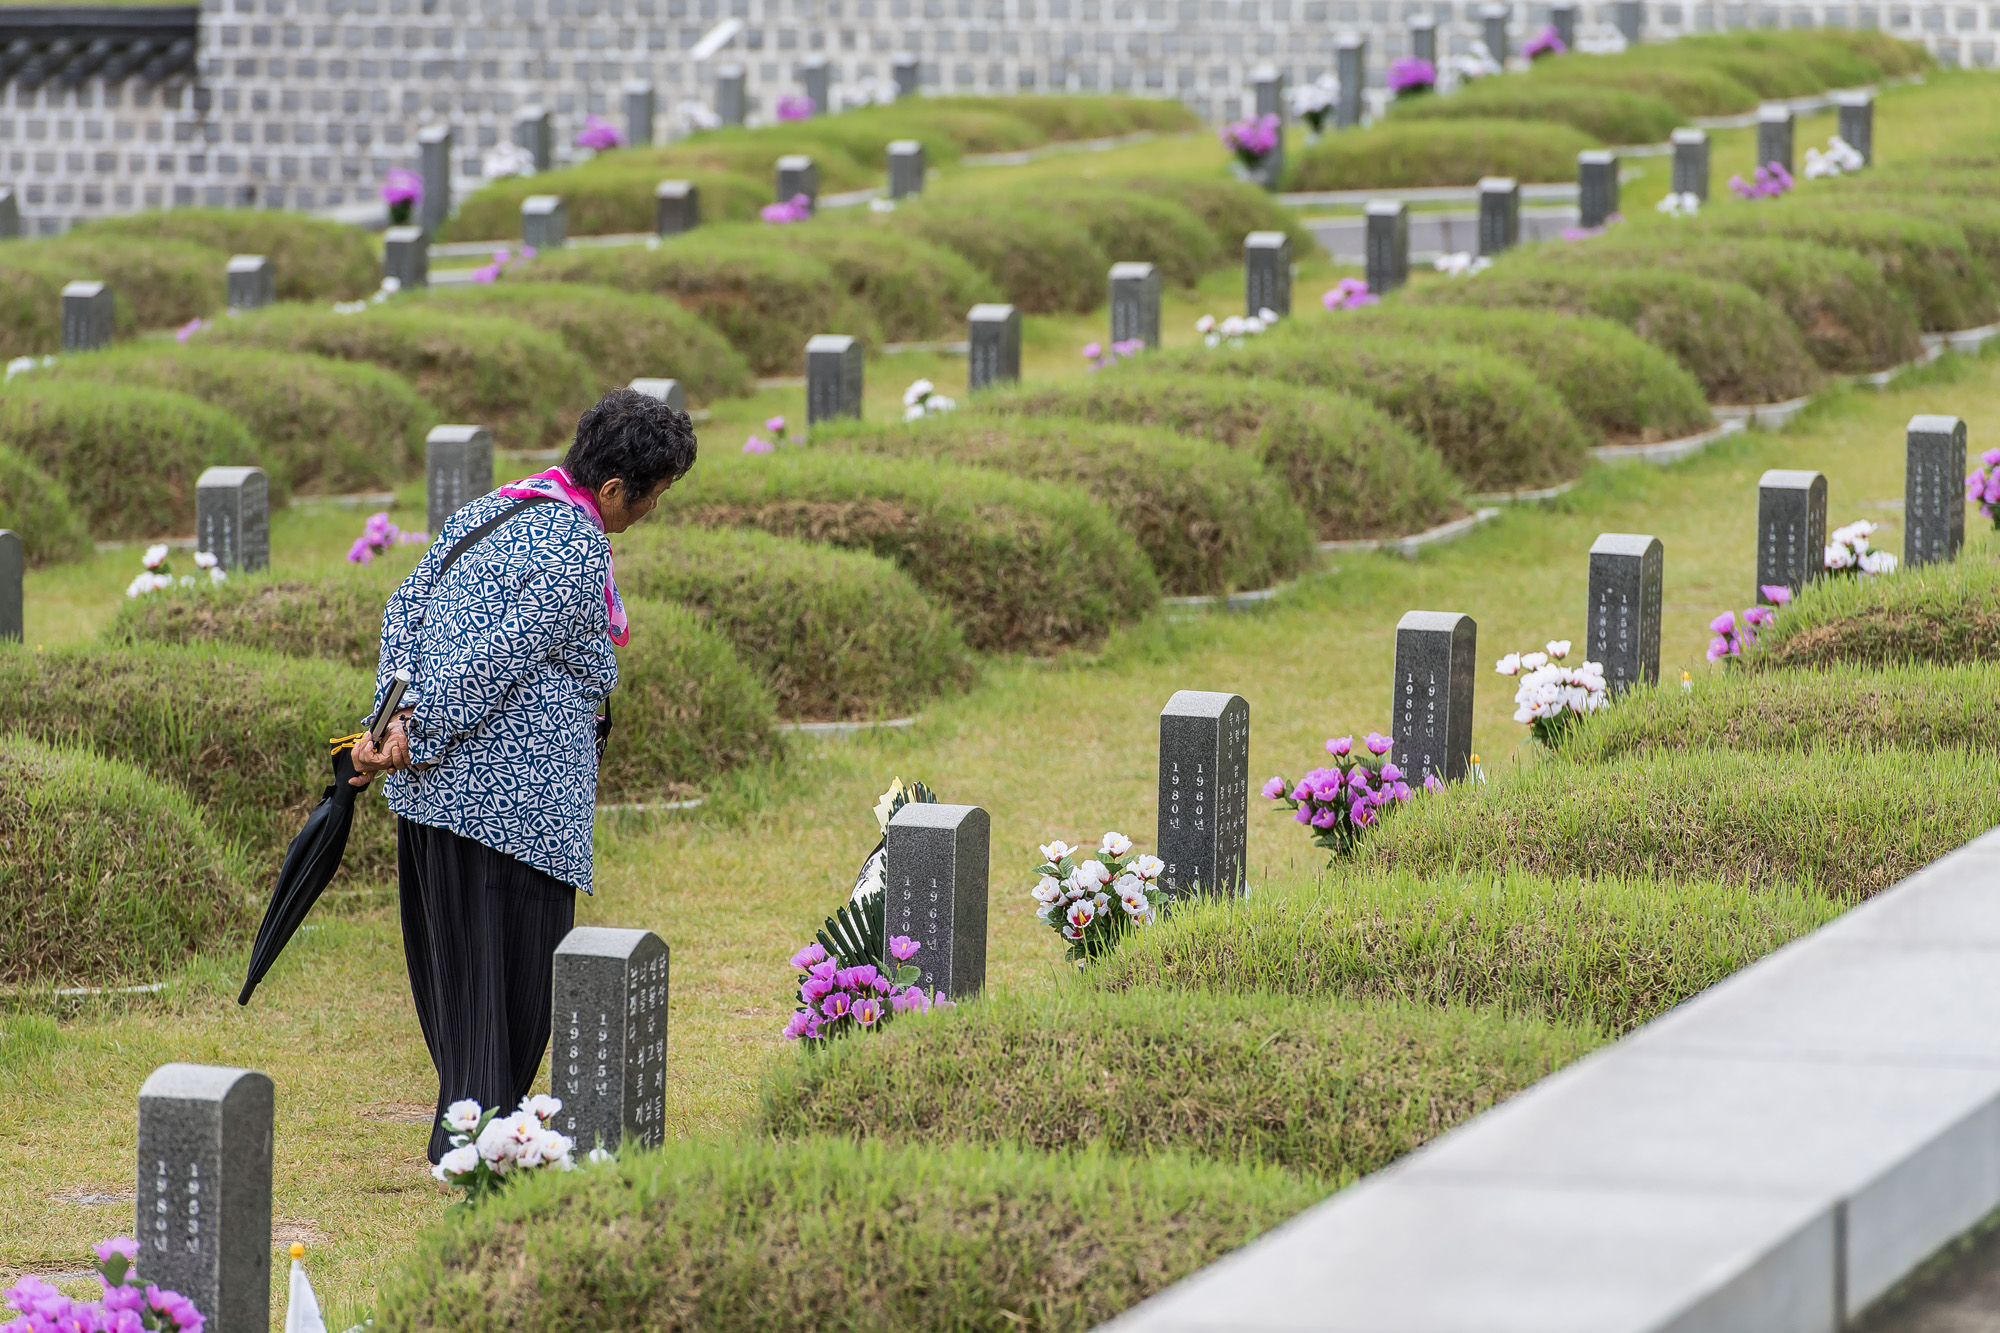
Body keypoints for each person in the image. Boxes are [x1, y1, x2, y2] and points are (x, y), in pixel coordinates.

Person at [351, 387, 696, 1163]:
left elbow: (404, 606)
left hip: (435, 790)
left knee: (463, 982)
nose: (653, 509)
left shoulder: (492, 507)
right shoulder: (575, 544)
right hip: (515, 806)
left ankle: (473, 1134)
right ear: (614, 490)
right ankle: (480, 1149)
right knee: (510, 984)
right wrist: (420, 726)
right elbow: (497, 657)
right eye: (655, 495)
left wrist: (393, 721)